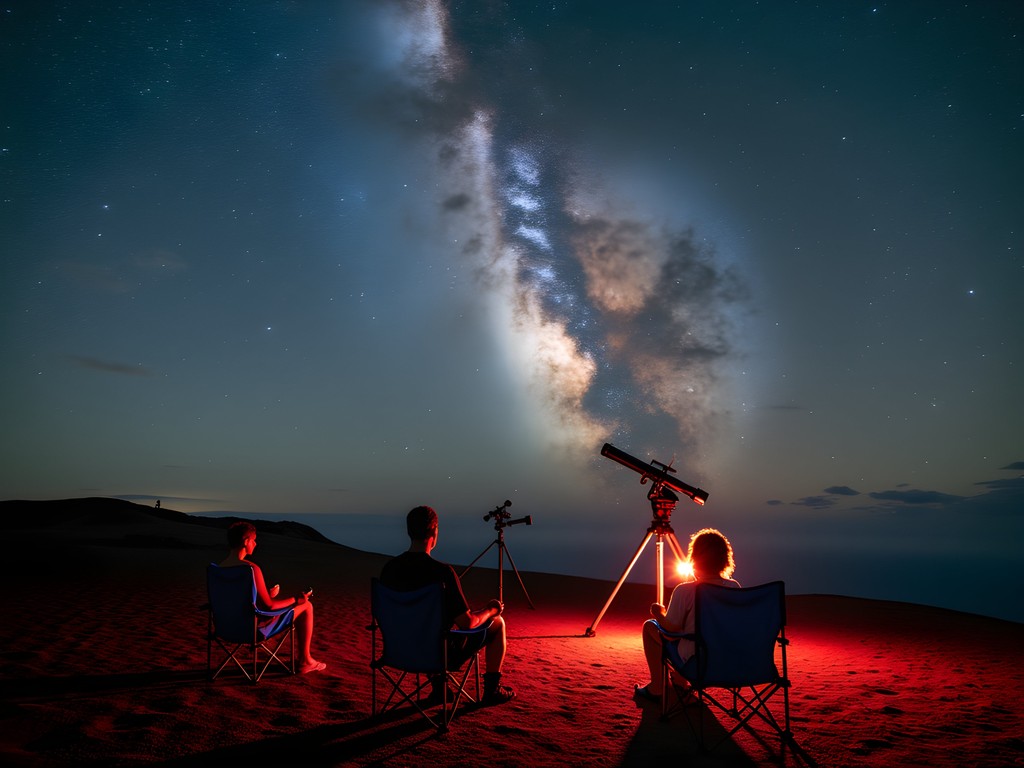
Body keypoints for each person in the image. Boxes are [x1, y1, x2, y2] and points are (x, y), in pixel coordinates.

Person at [380, 505, 514, 705]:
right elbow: (466, 623)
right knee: (498, 623)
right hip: (437, 654)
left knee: (425, 627)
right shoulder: (442, 573)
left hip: (398, 649)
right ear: (434, 531)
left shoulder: (390, 569)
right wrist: (491, 610)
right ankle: (492, 690)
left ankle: (439, 688)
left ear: (409, 531)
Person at [633, 527, 740, 702]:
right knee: (691, 635)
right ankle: (681, 685)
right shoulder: (734, 587)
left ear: (695, 558)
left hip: (695, 660)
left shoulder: (685, 590)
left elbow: (671, 629)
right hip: (726, 658)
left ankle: (658, 687)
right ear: (724, 559)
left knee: (651, 626)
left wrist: (658, 614)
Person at [218, 521, 326, 674]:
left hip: (226, 628)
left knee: (292, 604)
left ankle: (305, 660)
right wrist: (296, 599)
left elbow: (237, 599)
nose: (255, 544)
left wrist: (266, 594)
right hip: (252, 630)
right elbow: (269, 607)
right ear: (246, 542)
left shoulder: (219, 569)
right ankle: (305, 661)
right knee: (307, 606)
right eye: (254, 540)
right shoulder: (251, 569)